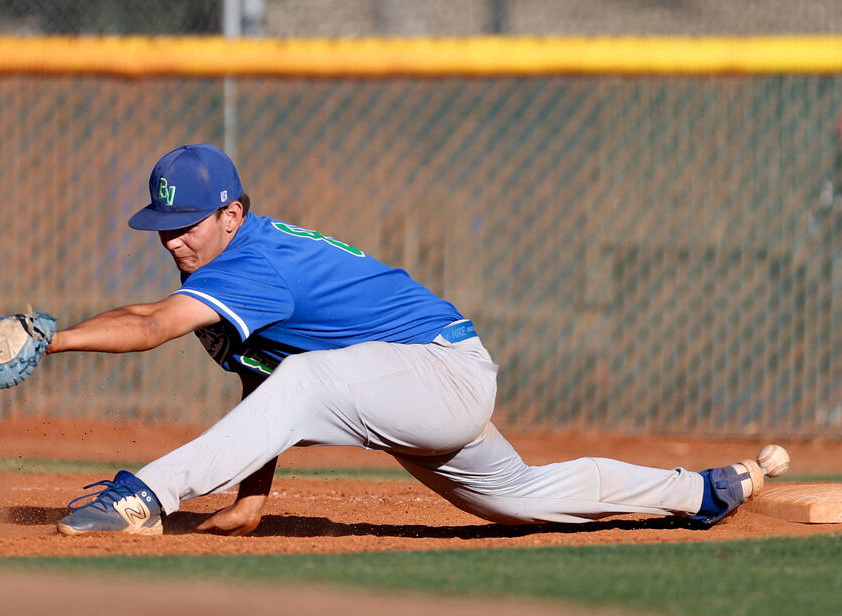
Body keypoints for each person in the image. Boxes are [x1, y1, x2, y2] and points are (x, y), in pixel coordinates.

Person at [45, 143, 774, 536]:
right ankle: (700, 493)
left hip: (435, 371)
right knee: (519, 498)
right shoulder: (236, 261)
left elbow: (150, 326)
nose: (174, 240)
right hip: (412, 378)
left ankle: (143, 498)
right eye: (166, 228)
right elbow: (267, 384)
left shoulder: (251, 264)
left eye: (190, 223)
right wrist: (253, 498)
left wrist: (50, 340)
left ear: (233, 212)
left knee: (310, 382)